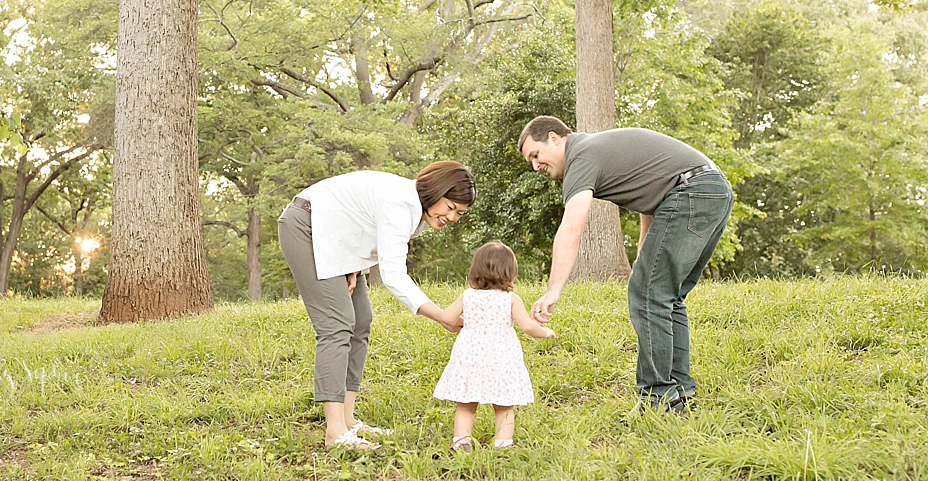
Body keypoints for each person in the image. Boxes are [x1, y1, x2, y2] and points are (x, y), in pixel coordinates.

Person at [518, 115, 733, 414]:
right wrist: (645, 250)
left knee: (648, 294)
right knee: (667, 296)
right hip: (711, 190)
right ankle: (679, 393)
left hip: (692, 192)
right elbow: (652, 193)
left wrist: (553, 289)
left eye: (535, 155)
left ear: (554, 138)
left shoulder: (580, 156)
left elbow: (571, 228)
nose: (535, 165)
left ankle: (658, 399)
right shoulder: (599, 150)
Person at [278, 161, 475, 450]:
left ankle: (347, 420)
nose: (452, 217)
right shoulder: (400, 203)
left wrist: (351, 267)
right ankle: (335, 433)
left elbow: (357, 223)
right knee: (337, 324)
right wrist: (440, 316)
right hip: (304, 227)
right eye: (450, 207)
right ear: (436, 191)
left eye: (459, 213)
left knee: (361, 320)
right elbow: (393, 273)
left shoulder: (414, 212)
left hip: (332, 236)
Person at [432, 241, 554, 452]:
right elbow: (527, 326)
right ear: (510, 272)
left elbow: (447, 317)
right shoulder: (511, 299)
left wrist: (468, 321)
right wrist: (545, 332)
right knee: (504, 406)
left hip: (470, 357)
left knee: (466, 404)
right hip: (501, 358)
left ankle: (462, 445)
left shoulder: (467, 296)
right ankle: (503, 448)